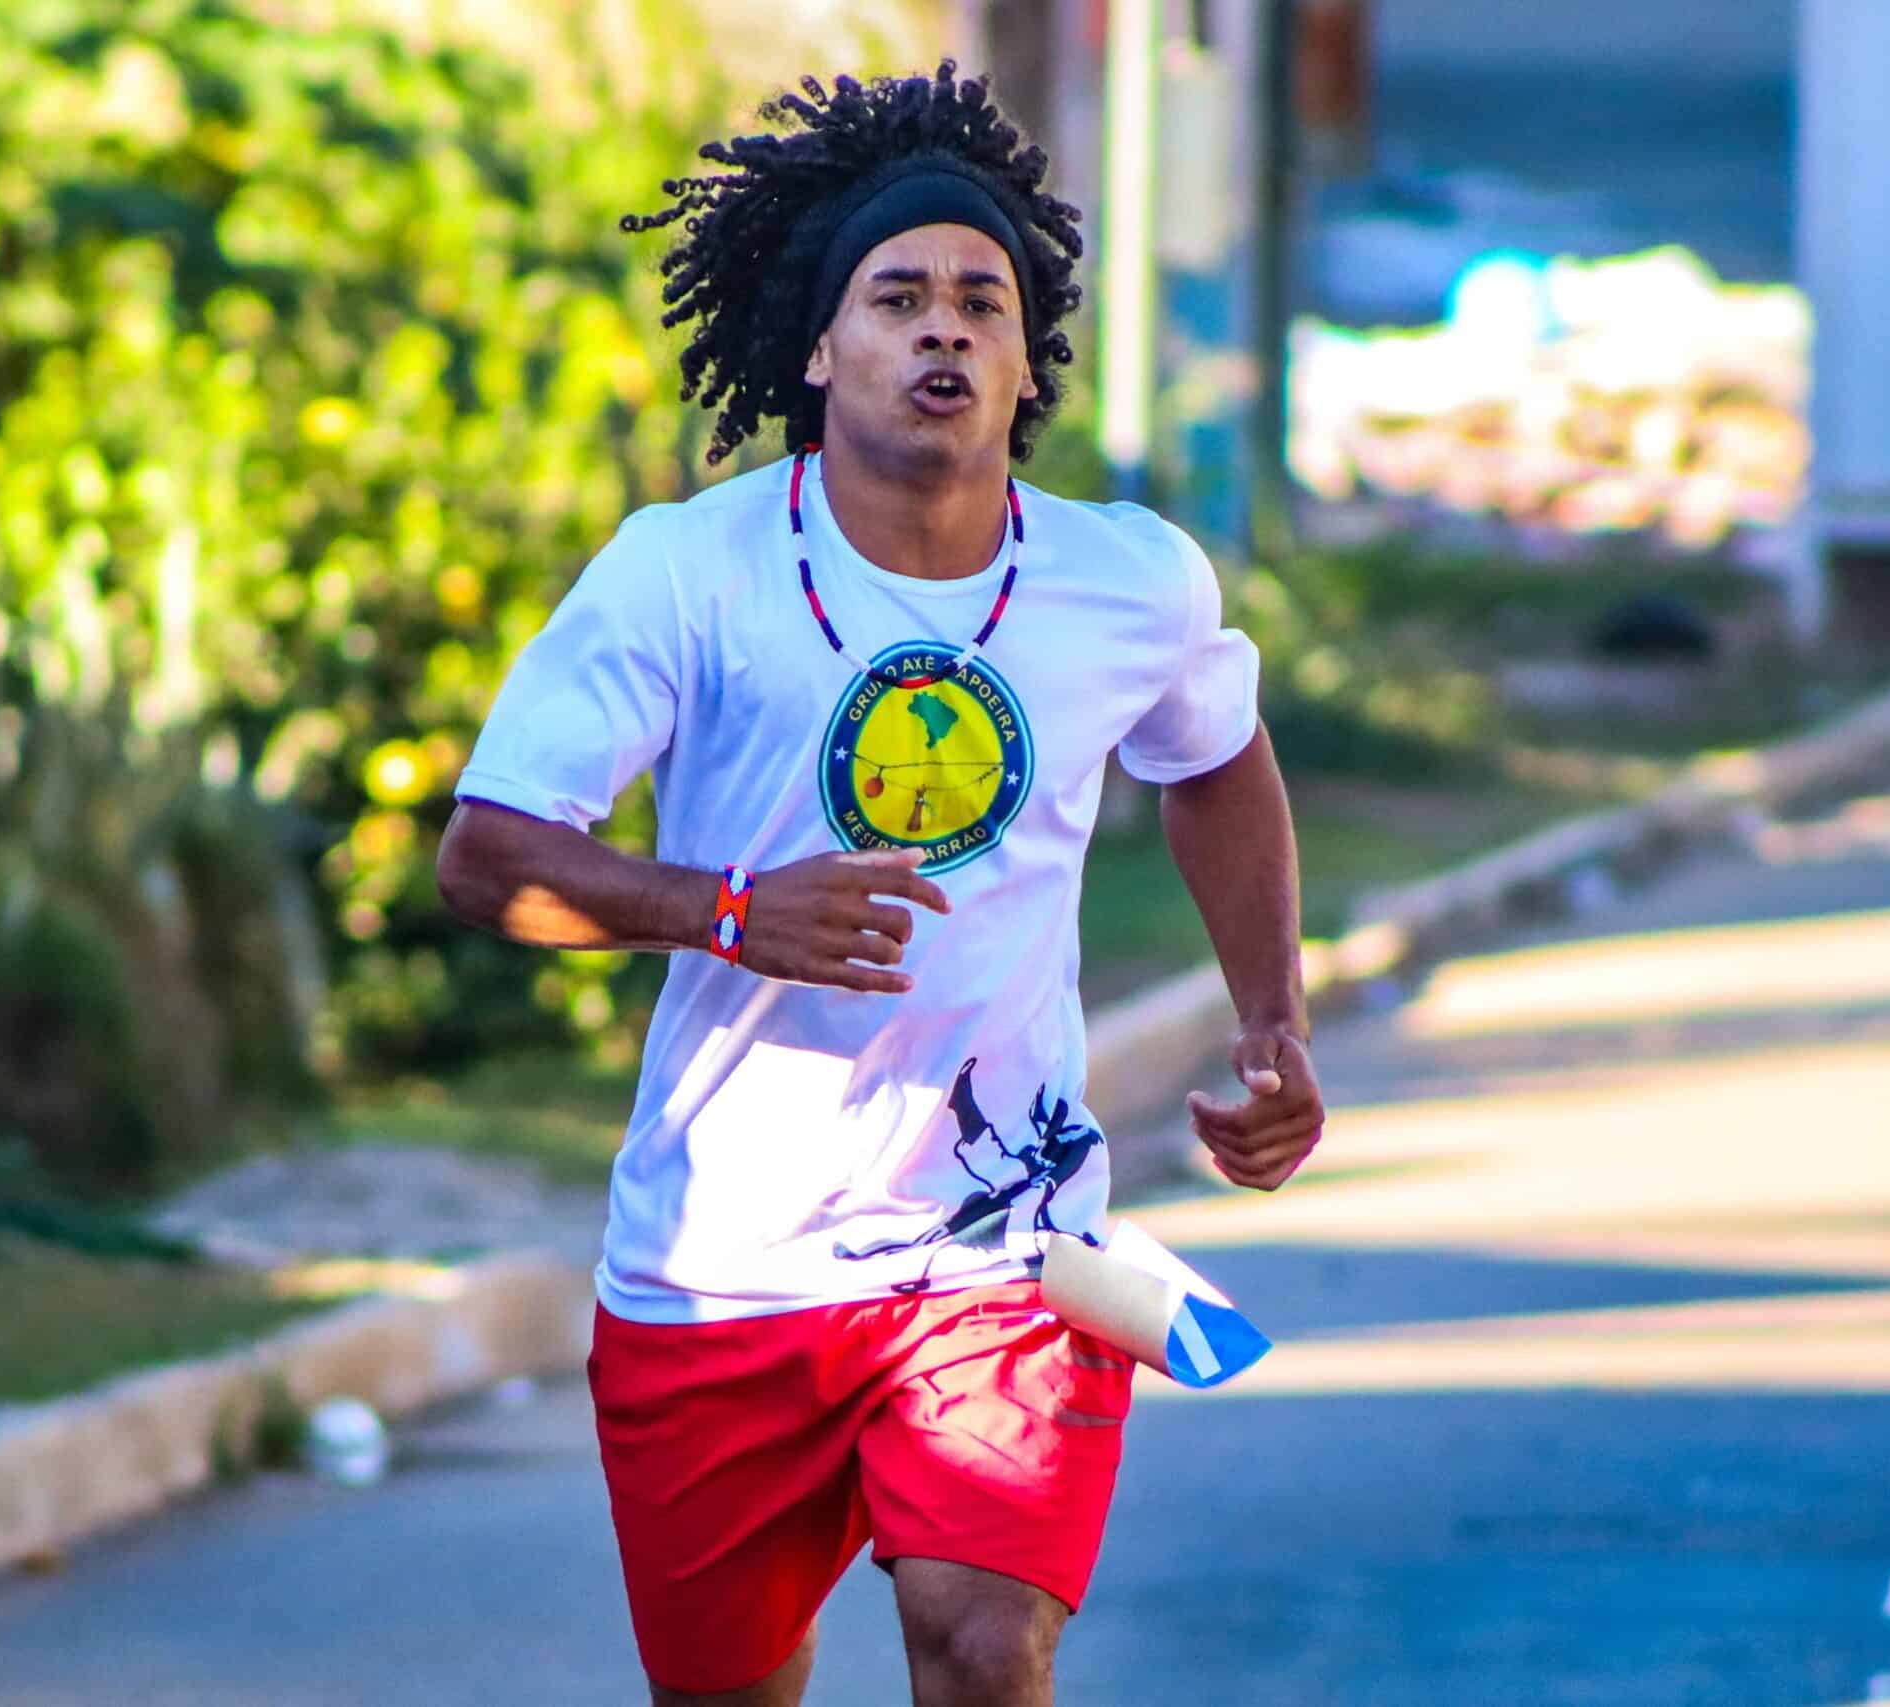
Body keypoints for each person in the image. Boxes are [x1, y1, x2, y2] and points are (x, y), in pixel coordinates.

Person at [437, 61, 1325, 1707]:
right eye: (899, 298)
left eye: (984, 303)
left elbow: (1213, 756)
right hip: (722, 1265)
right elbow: (489, 856)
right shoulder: (686, 574)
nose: (946, 332)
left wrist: (1274, 1019)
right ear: (817, 347)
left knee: (986, 1647)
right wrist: (728, 908)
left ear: (1029, 359)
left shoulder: (1127, 581)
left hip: (1001, 1246)